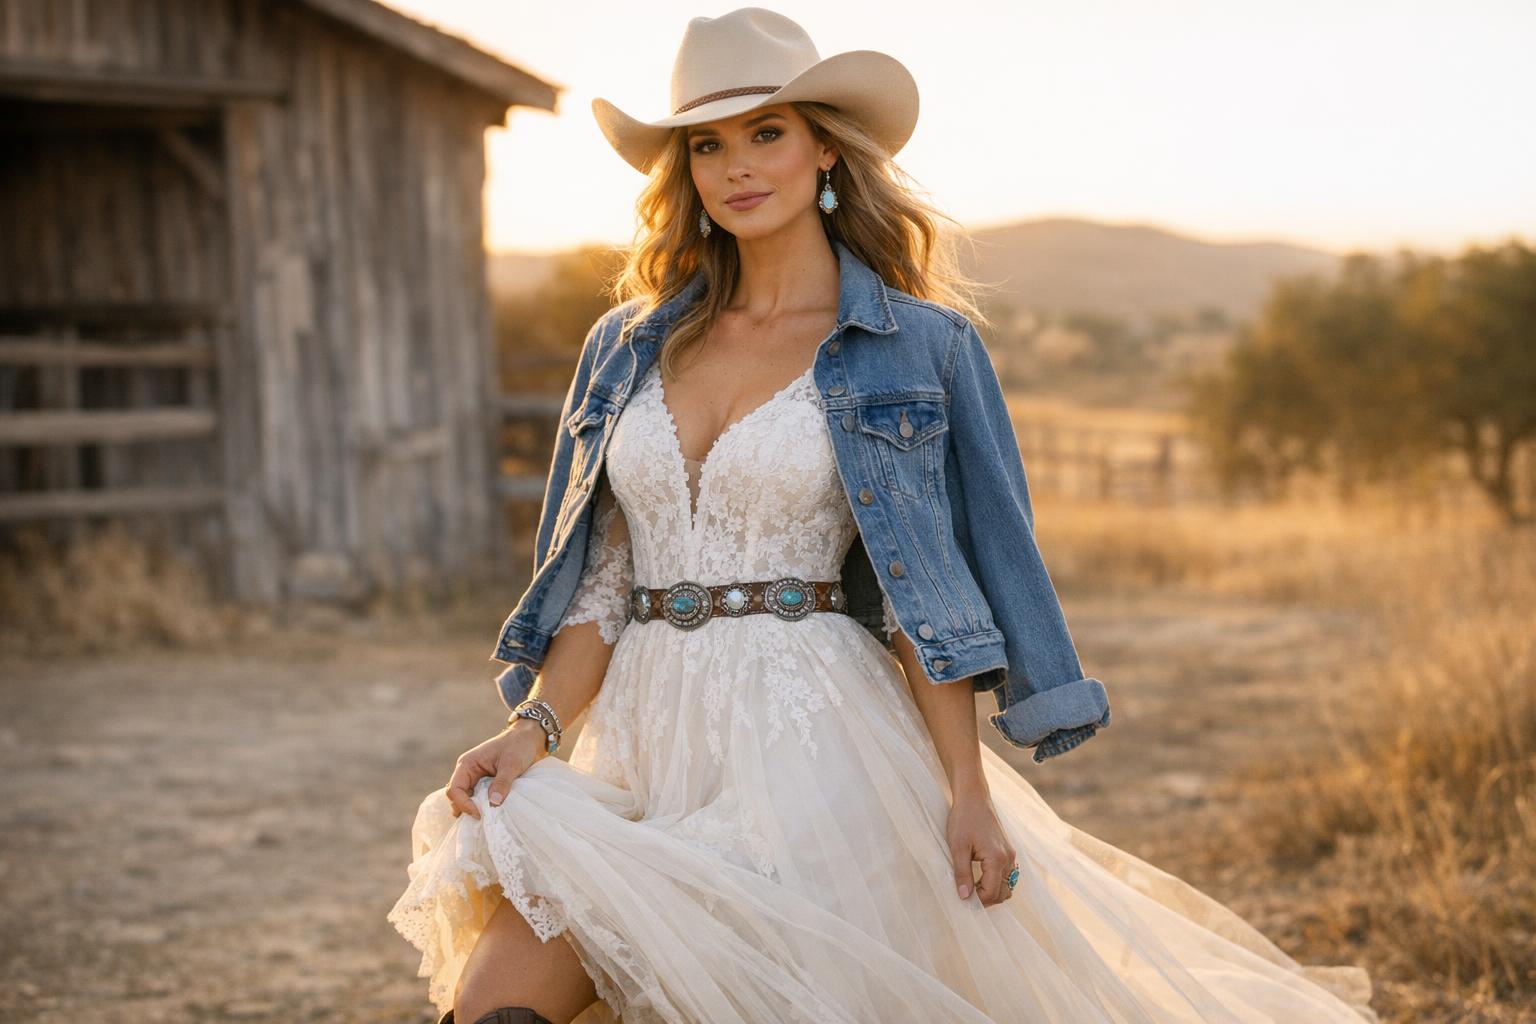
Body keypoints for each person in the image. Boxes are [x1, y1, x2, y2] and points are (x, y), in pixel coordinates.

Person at [388, 9, 1378, 1023]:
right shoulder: (626, 345)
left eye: (766, 131)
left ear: (823, 144)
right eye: (707, 143)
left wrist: (965, 788)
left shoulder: (921, 349)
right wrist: (535, 727)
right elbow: (600, 579)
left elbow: (925, 587)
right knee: (494, 1008)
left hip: (813, 742)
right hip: (639, 739)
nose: (737, 165)